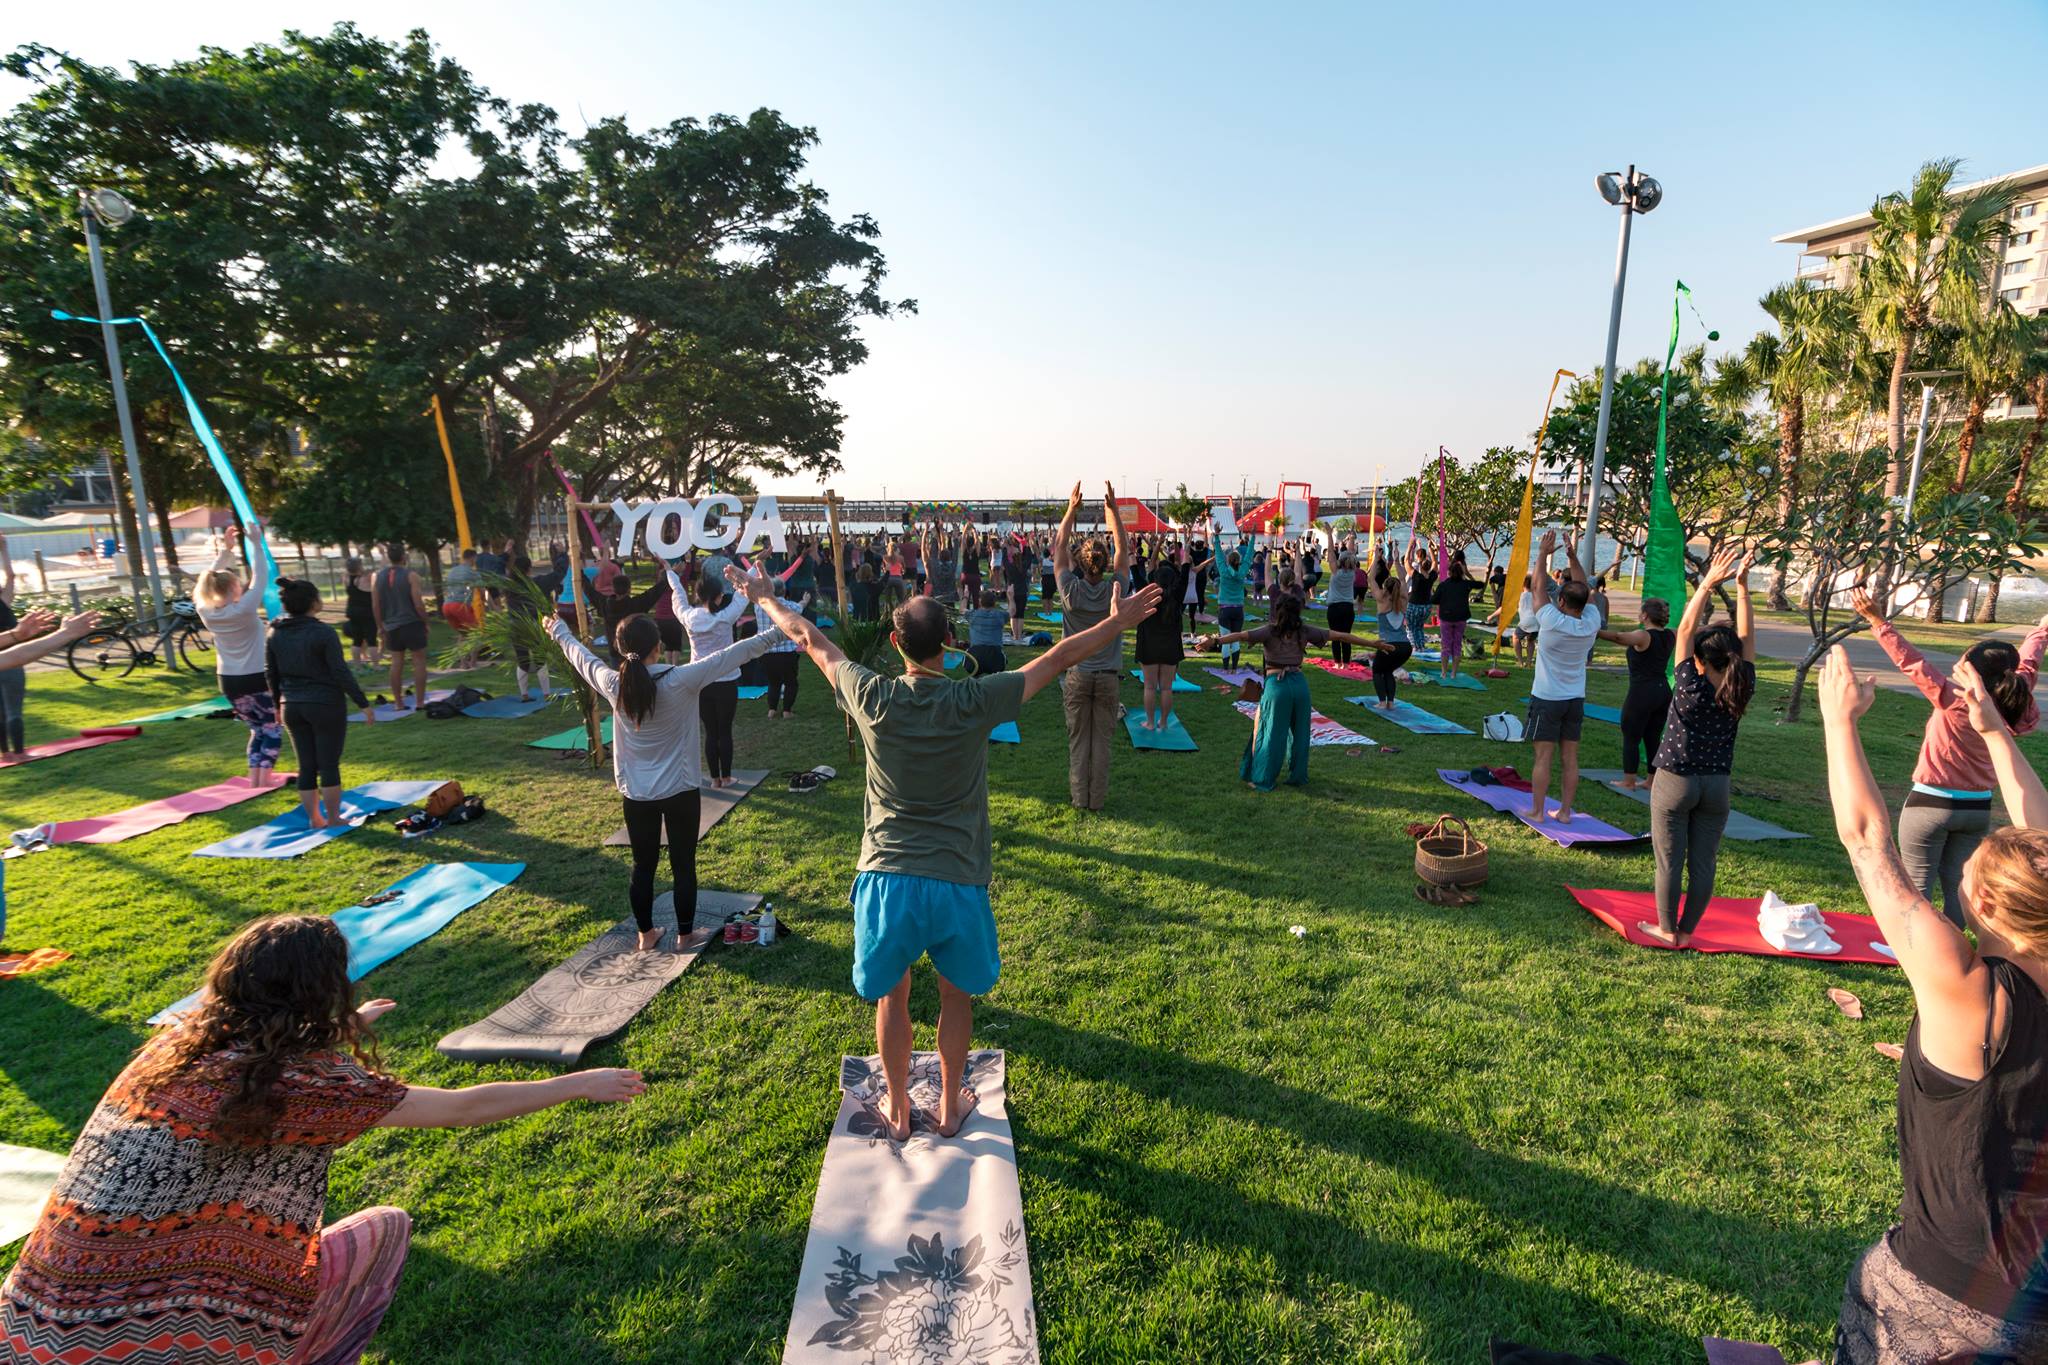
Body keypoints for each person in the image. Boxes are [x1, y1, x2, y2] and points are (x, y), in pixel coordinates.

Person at [0, 915, 643, 1365]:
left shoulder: (176, 1047)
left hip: (33, 1325)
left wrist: (338, 1030)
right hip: (146, 1338)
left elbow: (265, 1060)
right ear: (321, 990)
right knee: (386, 1228)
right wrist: (578, 1083)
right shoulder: (305, 1086)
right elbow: (462, 1109)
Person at [749, 578, 1162, 1140]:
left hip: (887, 877)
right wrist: (1117, 623)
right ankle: (947, 1109)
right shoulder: (975, 699)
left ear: (896, 645)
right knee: (954, 994)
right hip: (956, 880)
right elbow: (1061, 654)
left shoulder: (870, 693)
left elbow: (808, 637)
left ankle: (897, 1113)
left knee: (893, 995)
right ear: (950, 638)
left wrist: (763, 597)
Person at [1817, 647, 2048, 1361]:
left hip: (1940, 1305)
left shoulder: (1965, 986)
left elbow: (1865, 841)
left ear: (1980, 903)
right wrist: (1993, 731)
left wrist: (1838, 721)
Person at [549, 568, 780, 953]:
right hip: (680, 792)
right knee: (683, 864)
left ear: (623, 649)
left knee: (643, 867)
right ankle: (685, 934)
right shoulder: (680, 679)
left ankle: (645, 935)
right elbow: (738, 652)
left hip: (637, 795)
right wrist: (785, 625)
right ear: (658, 645)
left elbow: (580, 656)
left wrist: (558, 630)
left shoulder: (614, 683)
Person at [1851, 587, 2048, 928]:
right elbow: (2029, 661)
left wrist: (1877, 620)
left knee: (1915, 887)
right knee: (1961, 889)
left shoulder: (1954, 697)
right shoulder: (2015, 698)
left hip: (1930, 805)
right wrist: (2042, 629)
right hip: (1977, 810)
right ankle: (1956, 945)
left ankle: (1913, 953)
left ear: (1972, 673)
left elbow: (1911, 662)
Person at [1635, 548, 1755, 948]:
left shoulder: (1690, 684)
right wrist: (1741, 587)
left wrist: (1706, 583)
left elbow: (1684, 631)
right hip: (1717, 786)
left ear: (1702, 661)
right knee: (1703, 863)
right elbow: (1747, 639)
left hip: (1675, 782)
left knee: (1670, 860)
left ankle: (1667, 930)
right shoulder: (1741, 685)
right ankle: (1687, 932)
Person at [1200, 595, 1377, 791]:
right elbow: (1342, 636)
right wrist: (1375, 645)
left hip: (1277, 686)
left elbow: (1240, 636)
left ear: (1278, 611)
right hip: (1300, 686)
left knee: (1271, 734)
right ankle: (1298, 776)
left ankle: (1263, 779)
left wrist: (1215, 641)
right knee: (1301, 734)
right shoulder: (1304, 631)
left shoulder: (1270, 631)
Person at [268, 579, 375, 827]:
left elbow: (270, 672)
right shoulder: (323, 632)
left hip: (291, 706)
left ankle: (316, 819)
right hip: (325, 705)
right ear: (314, 602)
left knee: (306, 765)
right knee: (328, 764)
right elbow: (340, 671)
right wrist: (362, 703)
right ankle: (334, 818)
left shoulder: (275, 631)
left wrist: (276, 705)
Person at [1055, 482, 1131, 811]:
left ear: (1082, 564)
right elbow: (1124, 552)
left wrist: (1071, 509)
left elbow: (1059, 547)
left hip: (1077, 676)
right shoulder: (1115, 587)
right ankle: (1095, 802)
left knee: (1078, 743)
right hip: (1108, 677)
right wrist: (1113, 511)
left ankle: (1079, 800)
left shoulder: (1071, 590)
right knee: (1101, 743)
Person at [192, 528, 282, 788]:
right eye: (237, 583)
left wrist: (227, 551)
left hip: (228, 681)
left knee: (256, 729)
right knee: (272, 728)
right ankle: (265, 778)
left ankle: (256, 778)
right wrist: (255, 542)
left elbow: (205, 583)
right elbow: (261, 576)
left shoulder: (205, 610)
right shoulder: (243, 608)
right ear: (233, 588)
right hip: (255, 678)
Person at [1525, 530, 1602, 825]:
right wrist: (1572, 556)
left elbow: (1537, 588)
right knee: (1570, 759)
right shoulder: (1591, 621)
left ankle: (1538, 812)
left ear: (1561, 602)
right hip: (1574, 699)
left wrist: (1544, 554)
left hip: (1547, 698)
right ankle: (1566, 812)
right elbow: (1584, 587)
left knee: (1543, 758)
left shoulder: (1551, 620)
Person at [675, 567, 750, 787]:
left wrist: (671, 574)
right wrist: (756, 563)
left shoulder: (689, 617)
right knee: (724, 730)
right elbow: (743, 594)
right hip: (726, 682)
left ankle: (715, 779)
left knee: (710, 731)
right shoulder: (726, 617)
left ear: (698, 595)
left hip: (701, 683)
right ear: (718, 597)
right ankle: (726, 777)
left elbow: (678, 598)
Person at [1598, 597, 1676, 790]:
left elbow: (1619, 637)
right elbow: (1692, 631)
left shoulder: (1643, 635)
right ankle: (1651, 781)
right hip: (1663, 692)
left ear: (1645, 615)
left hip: (1642, 692)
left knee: (1631, 736)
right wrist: (1714, 627)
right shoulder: (1670, 634)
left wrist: (1595, 631)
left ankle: (1629, 780)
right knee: (1653, 737)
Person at [1135, 545, 1209, 731]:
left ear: (1155, 579)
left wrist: (1134, 551)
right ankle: (1164, 722)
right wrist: (1186, 545)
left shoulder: (1146, 594)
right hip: (1170, 647)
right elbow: (1184, 569)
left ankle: (1151, 723)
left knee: (1150, 687)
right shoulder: (1178, 594)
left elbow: (1135, 571)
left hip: (1149, 645)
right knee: (1166, 688)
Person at [370, 545, 431, 710]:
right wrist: (425, 621)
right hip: (412, 623)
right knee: (419, 662)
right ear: (404, 557)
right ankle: (419, 702)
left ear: (389, 557)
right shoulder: (411, 576)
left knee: (396, 663)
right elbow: (418, 603)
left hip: (391, 626)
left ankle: (398, 703)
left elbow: (375, 605)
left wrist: (380, 626)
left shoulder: (377, 577)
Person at [757, 588, 811, 719]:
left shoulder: (759, 606)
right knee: (791, 683)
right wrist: (805, 600)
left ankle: (772, 710)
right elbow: (800, 607)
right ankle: (787, 711)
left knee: (773, 682)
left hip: (767, 653)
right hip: (786, 653)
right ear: (784, 590)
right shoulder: (789, 605)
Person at [507, 555, 553, 702]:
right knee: (540, 659)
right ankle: (546, 694)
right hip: (532, 625)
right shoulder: (533, 584)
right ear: (528, 569)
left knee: (523, 661)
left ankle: (524, 694)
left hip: (516, 626)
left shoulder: (509, 586)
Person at [1433, 557, 1482, 680]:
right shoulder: (1465, 584)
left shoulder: (1444, 585)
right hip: (1461, 618)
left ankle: (1444, 672)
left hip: (1446, 617)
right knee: (1457, 645)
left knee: (1445, 645)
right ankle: (1453, 673)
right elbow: (1480, 584)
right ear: (1462, 573)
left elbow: (1433, 599)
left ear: (1449, 572)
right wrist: (1465, 576)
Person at [0, 533, 25, 757]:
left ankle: (5, 753)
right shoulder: (3, 603)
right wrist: (4, 549)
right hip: (11, 660)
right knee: (13, 711)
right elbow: (11, 575)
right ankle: (19, 753)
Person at [1211, 546, 1249, 669]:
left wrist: (1216, 537)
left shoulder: (1224, 571)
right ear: (1239, 560)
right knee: (1235, 639)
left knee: (1225, 641)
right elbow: (1249, 556)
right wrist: (1253, 537)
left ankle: (1226, 669)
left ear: (1228, 560)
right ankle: (1234, 669)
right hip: (1238, 610)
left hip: (1225, 609)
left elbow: (1219, 556)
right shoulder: (1242, 571)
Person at [1323, 547, 1359, 666]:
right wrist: (1352, 537)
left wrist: (1329, 533)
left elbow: (1331, 555)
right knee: (1346, 637)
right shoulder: (1352, 573)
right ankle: (1347, 663)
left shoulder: (1335, 573)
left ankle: (1338, 663)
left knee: (1335, 637)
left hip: (1335, 608)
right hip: (1348, 608)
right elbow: (1351, 553)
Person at [342, 556, 380, 667]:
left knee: (357, 640)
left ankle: (357, 665)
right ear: (359, 566)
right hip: (366, 612)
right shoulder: (365, 579)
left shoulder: (346, 578)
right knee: (372, 639)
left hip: (352, 611)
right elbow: (376, 575)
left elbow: (351, 568)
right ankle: (376, 665)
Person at [964, 589, 1010, 676]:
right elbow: (1012, 611)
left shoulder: (972, 614)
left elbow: (962, 609)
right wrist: (1011, 598)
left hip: (975, 658)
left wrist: (966, 596)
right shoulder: (1000, 615)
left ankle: (975, 682)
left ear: (980, 602)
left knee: (974, 672)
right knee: (996, 676)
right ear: (994, 603)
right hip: (995, 657)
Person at [1369, 550, 1408, 643]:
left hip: (1387, 645)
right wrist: (1397, 561)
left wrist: (1376, 559)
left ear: (1385, 588)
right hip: (1405, 645)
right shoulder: (1403, 599)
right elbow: (1402, 579)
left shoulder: (1381, 600)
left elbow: (1371, 579)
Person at [1404, 544, 1437, 652]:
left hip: (1414, 605)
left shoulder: (1417, 577)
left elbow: (1406, 561)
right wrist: (1430, 549)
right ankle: (1421, 646)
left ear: (1420, 566)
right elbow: (1435, 563)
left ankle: (1414, 647)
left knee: (1411, 627)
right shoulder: (1432, 577)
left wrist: (1409, 546)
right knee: (1419, 627)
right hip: (1426, 607)